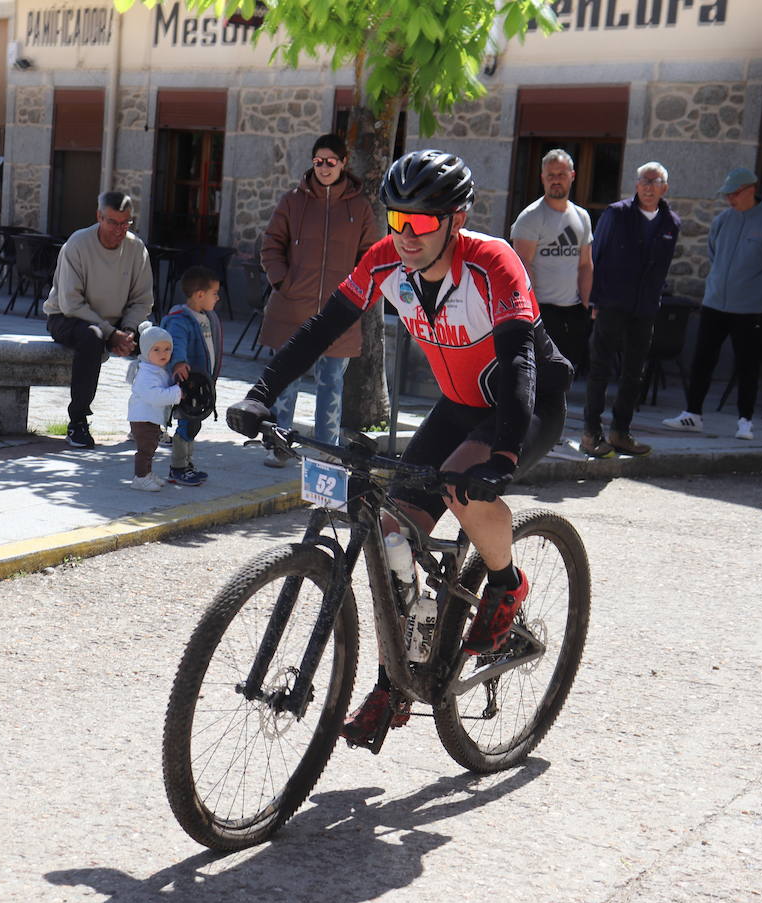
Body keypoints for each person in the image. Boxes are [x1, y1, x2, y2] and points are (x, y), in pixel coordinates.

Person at [227, 150, 572, 749]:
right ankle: (398, 678)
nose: (404, 237)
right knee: (392, 534)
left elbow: (518, 363)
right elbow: (319, 328)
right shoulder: (386, 260)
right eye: (395, 220)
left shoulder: (493, 263)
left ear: (455, 222)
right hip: (461, 403)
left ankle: (507, 580)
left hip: (526, 401)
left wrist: (505, 457)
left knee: (462, 482)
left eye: (419, 224)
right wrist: (261, 395)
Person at [258, 132, 380, 466]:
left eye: (331, 162)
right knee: (286, 382)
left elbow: (371, 258)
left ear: (343, 163)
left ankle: (328, 453)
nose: (324, 168)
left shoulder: (359, 207)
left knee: (331, 386)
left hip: (338, 314)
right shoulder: (292, 202)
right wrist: (283, 282)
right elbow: (271, 245)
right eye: (318, 162)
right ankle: (280, 447)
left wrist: (358, 297)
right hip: (293, 309)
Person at [664, 167, 762, 440]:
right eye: (727, 195)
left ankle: (745, 421)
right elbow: (714, 254)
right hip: (715, 303)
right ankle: (692, 414)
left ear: (751, 190)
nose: (729, 200)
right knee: (702, 360)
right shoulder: (723, 220)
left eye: (734, 194)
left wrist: (760, 293)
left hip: (752, 309)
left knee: (747, 365)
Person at [580, 162, 682, 458]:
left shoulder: (671, 222)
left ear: (665, 188)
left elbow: (662, 269)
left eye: (655, 181)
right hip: (612, 302)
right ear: (636, 185)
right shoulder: (617, 213)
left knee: (634, 372)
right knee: (600, 368)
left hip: (645, 307)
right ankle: (591, 432)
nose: (649, 186)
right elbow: (595, 255)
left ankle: (620, 432)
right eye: (644, 181)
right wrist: (594, 300)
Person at [44, 191, 155, 449]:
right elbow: (71, 302)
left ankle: (152, 420)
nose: (119, 230)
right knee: (92, 337)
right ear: (99, 217)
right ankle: (78, 421)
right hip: (67, 317)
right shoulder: (78, 244)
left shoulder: (136, 248)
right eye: (113, 222)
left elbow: (142, 300)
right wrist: (109, 333)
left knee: (155, 337)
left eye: (126, 223)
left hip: (117, 322)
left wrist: (127, 330)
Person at [511, 149, 594, 379]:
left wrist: (586, 307)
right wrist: (532, 313)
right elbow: (521, 267)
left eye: (561, 174)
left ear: (573, 175)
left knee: (567, 374)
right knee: (543, 376)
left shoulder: (582, 217)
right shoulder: (530, 217)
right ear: (542, 178)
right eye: (550, 175)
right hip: (542, 311)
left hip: (574, 310)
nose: (556, 179)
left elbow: (585, 264)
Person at [162, 265, 223, 487]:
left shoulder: (206, 316)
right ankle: (178, 467)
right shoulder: (180, 319)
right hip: (189, 385)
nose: (217, 298)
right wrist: (178, 362)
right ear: (200, 295)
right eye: (214, 293)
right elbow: (176, 342)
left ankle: (186, 465)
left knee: (194, 424)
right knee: (187, 425)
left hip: (202, 384)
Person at [125, 325, 181, 492]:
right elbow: (154, 396)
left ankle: (147, 473)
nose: (163, 354)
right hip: (142, 418)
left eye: (167, 349)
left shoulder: (156, 369)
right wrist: (177, 392)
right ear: (145, 350)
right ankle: (140, 477)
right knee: (145, 449)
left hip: (151, 417)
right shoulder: (146, 373)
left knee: (151, 446)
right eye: (156, 349)